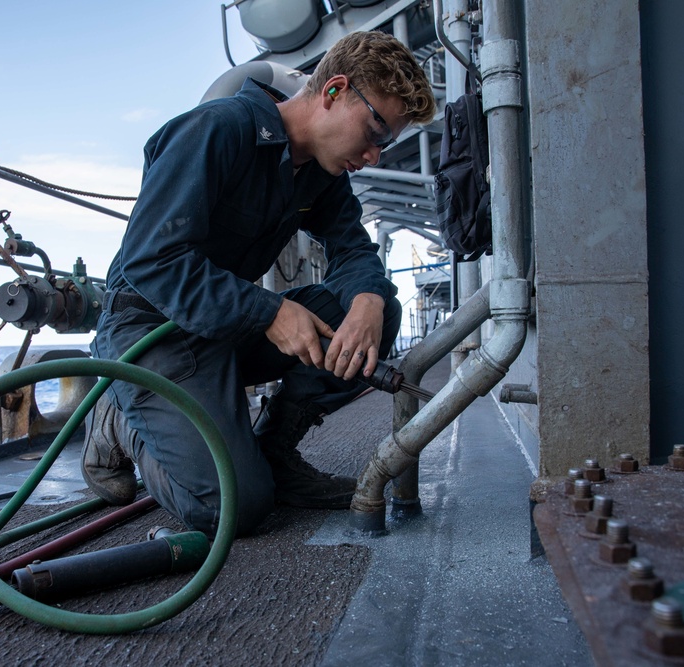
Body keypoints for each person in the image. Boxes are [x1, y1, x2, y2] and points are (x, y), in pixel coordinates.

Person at [83, 30, 436, 536]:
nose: (375, 156)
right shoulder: (217, 129)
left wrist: (368, 301)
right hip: (147, 326)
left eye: (388, 144)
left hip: (222, 327)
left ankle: (274, 453)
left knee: (373, 315)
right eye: (375, 131)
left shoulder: (321, 173)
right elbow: (150, 260)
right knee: (232, 509)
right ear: (334, 91)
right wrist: (268, 312)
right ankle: (119, 413)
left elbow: (353, 248)